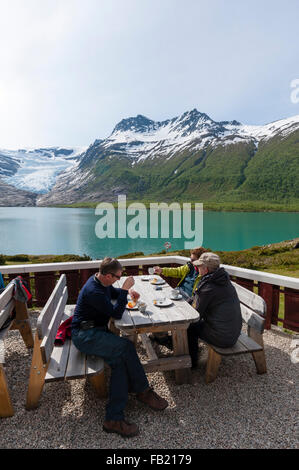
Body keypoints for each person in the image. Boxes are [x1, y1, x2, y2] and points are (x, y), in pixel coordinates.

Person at [71, 257, 168, 438]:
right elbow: (116, 313)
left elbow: (113, 293)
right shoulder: (94, 291)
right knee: (126, 347)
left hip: (95, 331)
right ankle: (142, 391)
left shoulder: (99, 282)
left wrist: (127, 291)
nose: (119, 279)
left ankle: (113, 418)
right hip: (86, 336)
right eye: (117, 276)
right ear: (107, 275)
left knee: (119, 363)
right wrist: (124, 291)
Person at [187, 252, 242, 369]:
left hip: (222, 337)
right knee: (195, 325)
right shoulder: (222, 280)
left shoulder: (208, 287)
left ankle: (192, 363)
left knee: (190, 327)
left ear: (205, 269)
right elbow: (200, 300)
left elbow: (195, 315)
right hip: (232, 333)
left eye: (199, 266)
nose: (197, 268)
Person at [150, 247, 205, 347]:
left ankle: (167, 339)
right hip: (178, 292)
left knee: (166, 310)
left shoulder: (203, 273)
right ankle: (161, 335)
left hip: (188, 299)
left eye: (193, 260)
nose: (191, 261)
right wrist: (162, 270)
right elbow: (177, 271)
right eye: (190, 259)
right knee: (158, 303)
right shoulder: (190, 267)